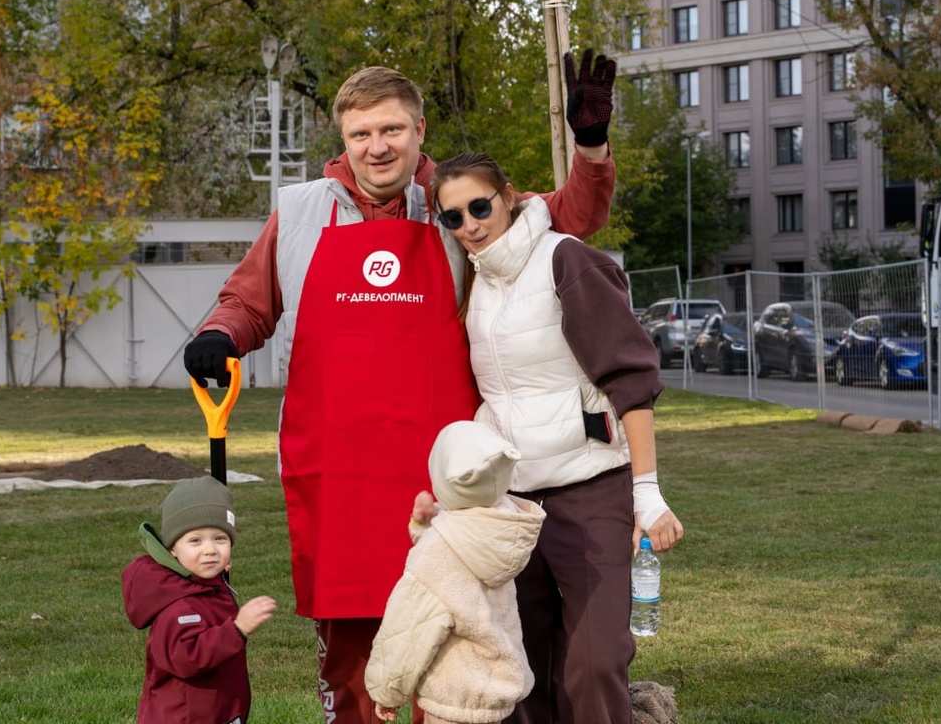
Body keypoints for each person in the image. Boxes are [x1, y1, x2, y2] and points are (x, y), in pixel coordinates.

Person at [182, 50, 618, 723]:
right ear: (344, 140)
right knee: (352, 638)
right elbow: (248, 299)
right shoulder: (299, 212)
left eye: (391, 130)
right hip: (336, 468)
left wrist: (590, 147)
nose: (376, 147)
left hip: (441, 470)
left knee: (450, 625)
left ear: (419, 131)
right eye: (361, 134)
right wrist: (220, 333)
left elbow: (568, 217)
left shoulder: (456, 202)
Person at [428, 151, 684, 724]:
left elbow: (631, 381)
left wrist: (647, 493)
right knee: (521, 664)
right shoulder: (475, 281)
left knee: (594, 661)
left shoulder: (565, 261)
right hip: (514, 502)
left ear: (510, 196)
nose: (469, 224)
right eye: (453, 217)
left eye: (478, 206)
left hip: (589, 491)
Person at [365, 420, 545, 724]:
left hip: (453, 699)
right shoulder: (504, 525)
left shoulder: (438, 554)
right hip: (496, 694)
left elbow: (408, 627)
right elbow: (459, 568)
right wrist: (425, 526)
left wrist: (387, 691)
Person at [121, 476, 278, 724]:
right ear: (172, 549)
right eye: (195, 540)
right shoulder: (179, 605)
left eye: (220, 538)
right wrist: (237, 629)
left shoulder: (204, 586)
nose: (210, 550)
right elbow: (187, 657)